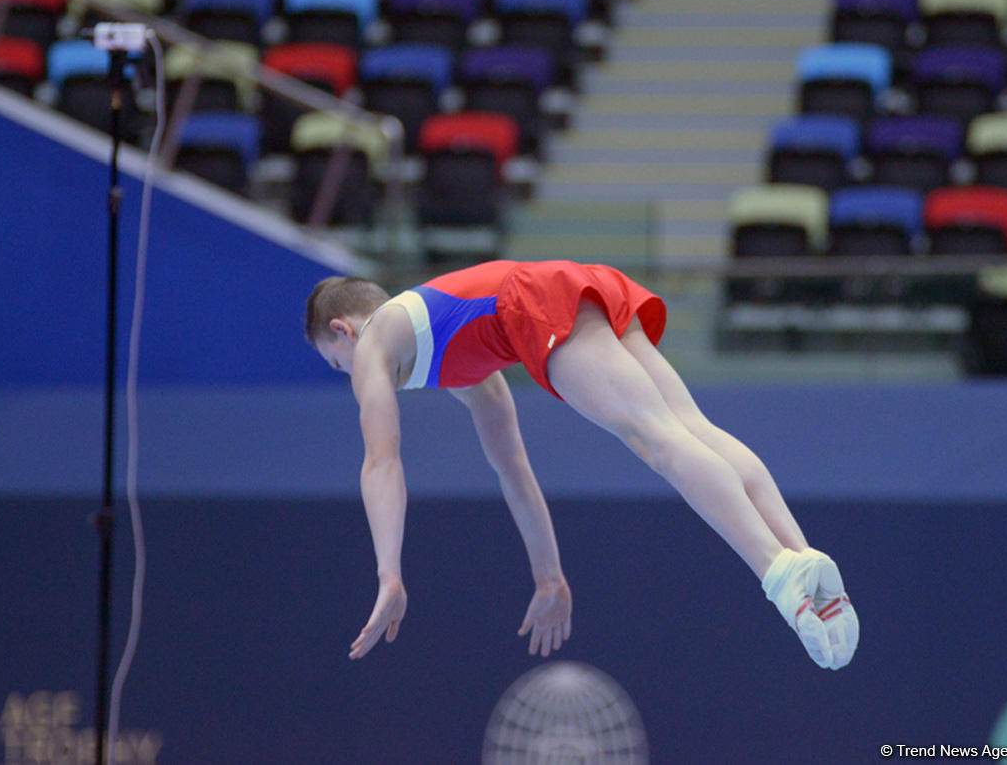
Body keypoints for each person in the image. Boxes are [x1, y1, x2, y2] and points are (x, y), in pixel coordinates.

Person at [304, 260, 859, 669]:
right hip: (569, 288)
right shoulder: (462, 365)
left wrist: (389, 573)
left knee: (657, 441)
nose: (348, 374)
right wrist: (548, 575)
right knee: (693, 430)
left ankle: (777, 573)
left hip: (536, 300)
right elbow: (513, 471)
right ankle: (801, 555)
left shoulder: (374, 342)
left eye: (336, 365)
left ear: (342, 331)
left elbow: (381, 461)